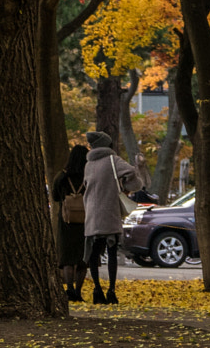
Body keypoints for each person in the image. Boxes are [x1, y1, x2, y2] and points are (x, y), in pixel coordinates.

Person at [81, 130, 143, 305]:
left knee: (94, 254)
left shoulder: (88, 164)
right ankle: (112, 291)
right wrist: (126, 187)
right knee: (112, 251)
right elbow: (131, 173)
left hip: (92, 213)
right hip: (109, 212)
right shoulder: (112, 160)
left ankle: (97, 290)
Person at [50, 143, 89, 303]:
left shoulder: (62, 176)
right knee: (82, 259)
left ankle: (69, 290)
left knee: (67, 257)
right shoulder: (88, 177)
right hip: (85, 221)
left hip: (66, 221)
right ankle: (78, 291)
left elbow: (55, 197)